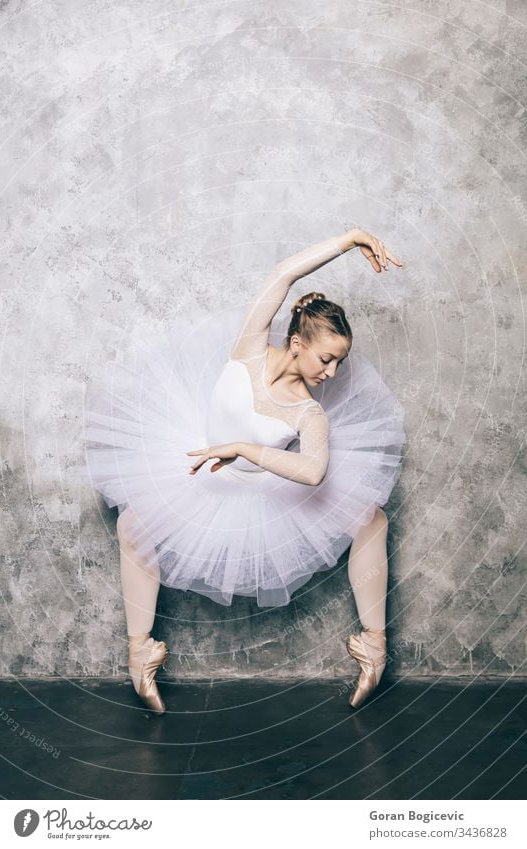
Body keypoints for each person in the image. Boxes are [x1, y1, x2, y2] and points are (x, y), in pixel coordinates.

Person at [81, 226, 405, 715]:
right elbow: (283, 274)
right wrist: (350, 239)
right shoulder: (249, 348)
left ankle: (375, 651)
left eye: (339, 363)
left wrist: (245, 449)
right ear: (296, 342)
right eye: (326, 358)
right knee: (133, 526)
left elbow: (315, 472)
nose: (331, 373)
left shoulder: (307, 412)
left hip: (259, 488)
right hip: (200, 473)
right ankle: (140, 654)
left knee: (371, 519)